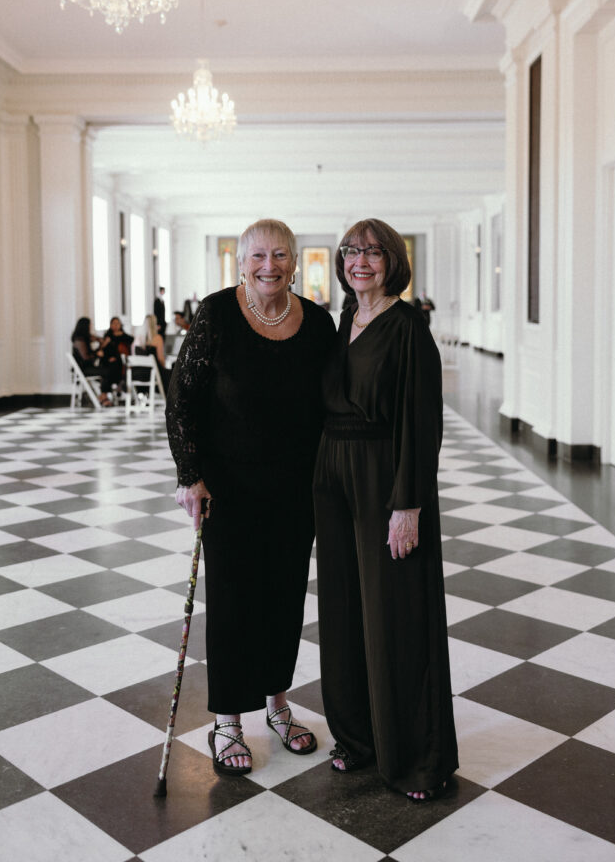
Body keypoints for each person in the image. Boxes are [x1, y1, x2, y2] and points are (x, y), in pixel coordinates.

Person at [166, 219, 336, 776]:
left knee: (285, 597)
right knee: (236, 599)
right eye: (258, 255)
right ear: (241, 262)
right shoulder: (215, 315)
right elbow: (182, 398)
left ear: (295, 260)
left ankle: (278, 703)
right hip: (228, 488)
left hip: (295, 488)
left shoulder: (317, 323)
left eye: (281, 254)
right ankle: (227, 720)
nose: (270, 265)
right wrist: (190, 475)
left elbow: (334, 403)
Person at [313, 218, 458, 801]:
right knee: (345, 610)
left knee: (394, 613)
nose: (359, 261)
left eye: (373, 252)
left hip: (382, 475)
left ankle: (417, 758)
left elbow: (422, 424)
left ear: (393, 260)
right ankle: (359, 739)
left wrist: (408, 505)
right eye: (351, 251)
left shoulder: (407, 328)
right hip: (332, 472)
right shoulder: (343, 320)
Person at [70, 316, 120, 406]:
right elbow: (86, 358)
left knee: (109, 368)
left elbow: (98, 339)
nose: (91, 327)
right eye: (89, 325)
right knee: (106, 371)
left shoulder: (85, 338)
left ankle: (103, 395)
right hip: (82, 369)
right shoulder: (79, 340)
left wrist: (102, 342)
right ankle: (103, 396)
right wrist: (97, 353)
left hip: (87, 367)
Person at [135, 314, 171, 394]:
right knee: (171, 374)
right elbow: (161, 359)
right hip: (153, 373)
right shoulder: (157, 338)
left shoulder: (138, 339)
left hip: (138, 373)